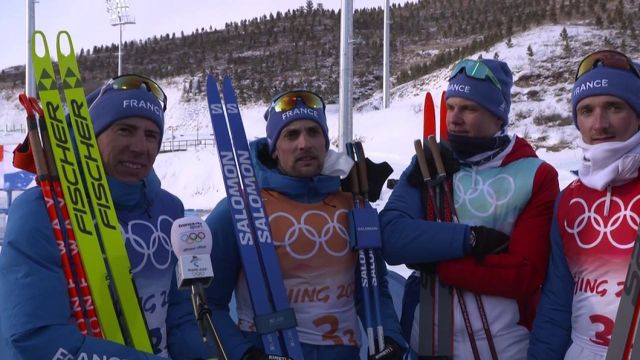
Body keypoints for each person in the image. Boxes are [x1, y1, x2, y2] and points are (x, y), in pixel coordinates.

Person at [0, 74, 211, 359]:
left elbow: (177, 314)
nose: (140, 146)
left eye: (151, 135)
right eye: (125, 130)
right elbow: (34, 338)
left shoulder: (170, 209)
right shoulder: (40, 210)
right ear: (91, 137)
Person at [204, 89, 407, 359]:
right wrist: (243, 353)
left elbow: (373, 287)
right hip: (271, 350)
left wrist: (390, 337)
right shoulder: (239, 210)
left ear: (325, 141)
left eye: (313, 132)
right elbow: (209, 303)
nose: (304, 143)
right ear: (274, 149)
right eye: (291, 135)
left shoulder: (353, 205)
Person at [380, 58, 559, 359]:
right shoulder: (427, 164)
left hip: (505, 347)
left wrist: (435, 262)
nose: (454, 119)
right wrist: (471, 241)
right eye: (451, 107)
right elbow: (392, 238)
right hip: (425, 341)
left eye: (470, 109)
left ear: (498, 116)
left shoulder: (536, 175)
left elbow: (522, 274)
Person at [528, 50, 640, 359]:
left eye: (614, 107)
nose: (599, 124)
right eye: (587, 110)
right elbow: (556, 303)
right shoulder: (570, 199)